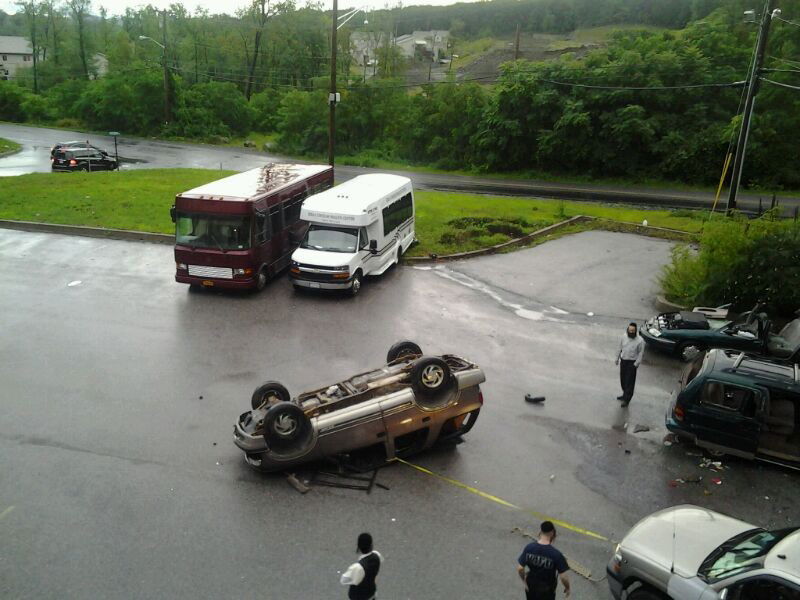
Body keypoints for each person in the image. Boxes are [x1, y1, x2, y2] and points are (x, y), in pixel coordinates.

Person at [517, 521, 571, 599]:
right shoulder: (556, 554)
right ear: (552, 533)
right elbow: (563, 577)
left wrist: (524, 581)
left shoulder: (529, 548)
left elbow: (520, 568)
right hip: (547, 590)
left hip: (531, 585)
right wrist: (567, 588)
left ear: (541, 532)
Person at [340, 532, 382, 600]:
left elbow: (343, 580)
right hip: (371, 593)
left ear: (359, 547)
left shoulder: (357, 567)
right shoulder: (377, 555)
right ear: (371, 545)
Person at [615, 322, 645, 407]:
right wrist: (617, 358)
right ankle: (624, 394)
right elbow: (619, 347)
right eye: (629, 330)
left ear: (636, 331)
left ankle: (627, 399)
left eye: (633, 330)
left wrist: (636, 364)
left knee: (630, 382)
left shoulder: (640, 341)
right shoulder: (624, 336)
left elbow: (640, 353)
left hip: (632, 363)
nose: (631, 332)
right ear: (627, 329)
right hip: (623, 361)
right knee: (623, 380)